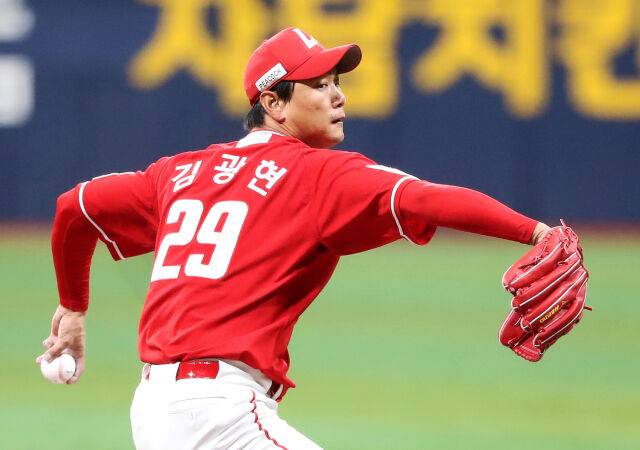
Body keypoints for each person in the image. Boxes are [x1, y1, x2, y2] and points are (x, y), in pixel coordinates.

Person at [38, 27, 553, 449]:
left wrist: (73, 308)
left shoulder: (176, 172)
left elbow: (74, 208)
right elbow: (426, 199)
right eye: (320, 84)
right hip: (219, 415)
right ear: (273, 102)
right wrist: (534, 231)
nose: (339, 95)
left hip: (156, 411)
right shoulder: (316, 174)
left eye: (337, 82)